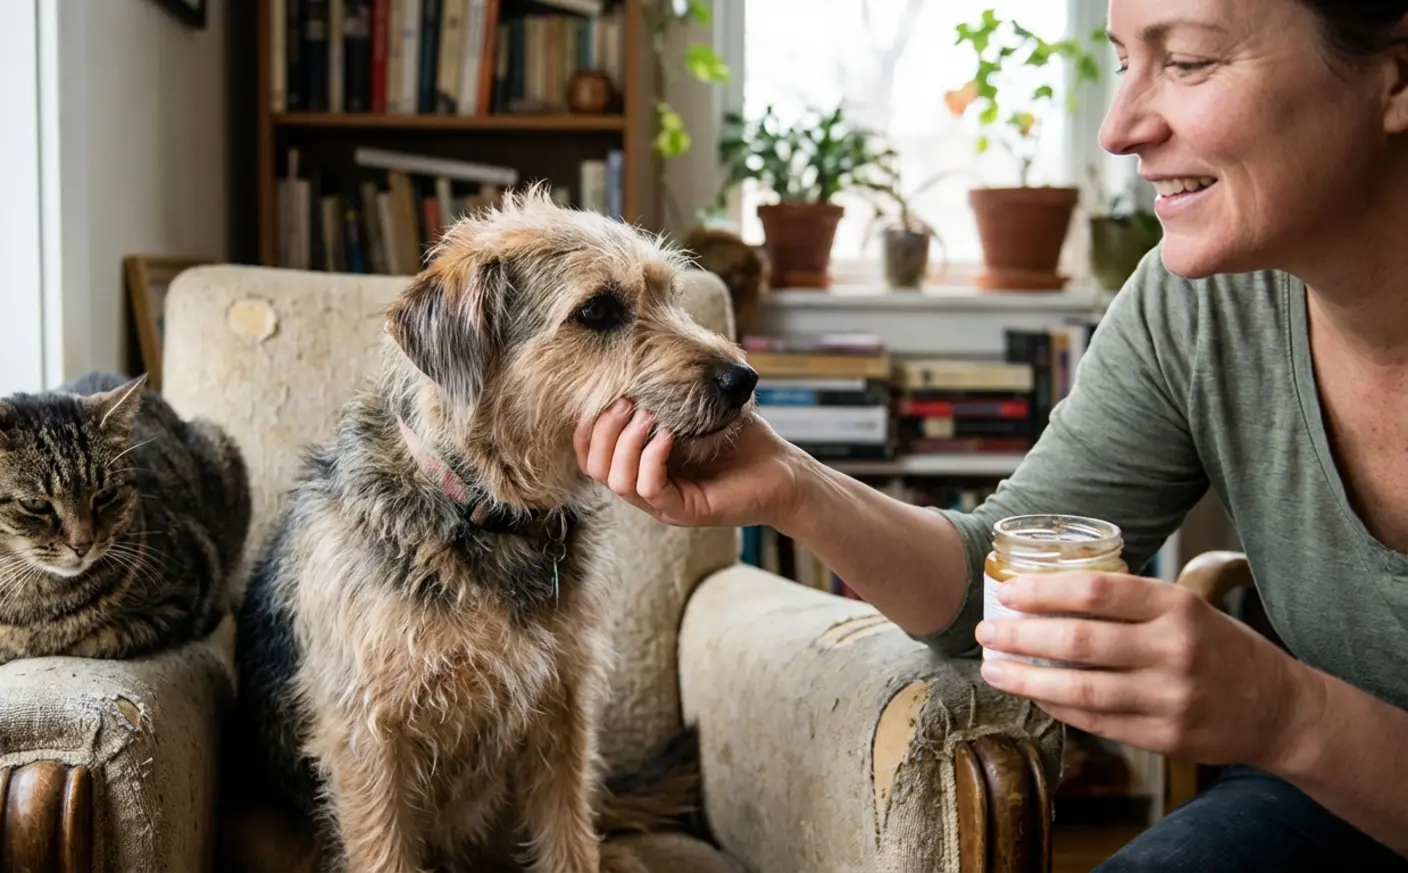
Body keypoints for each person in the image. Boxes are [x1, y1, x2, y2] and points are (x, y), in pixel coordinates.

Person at [574, 0, 1408, 869]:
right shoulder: (1194, 306)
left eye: (1190, 62)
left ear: (1397, 74)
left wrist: (1287, 713)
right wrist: (791, 483)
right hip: (1324, 801)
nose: (1119, 130)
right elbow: (985, 594)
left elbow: (1294, 719)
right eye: (1124, 62)